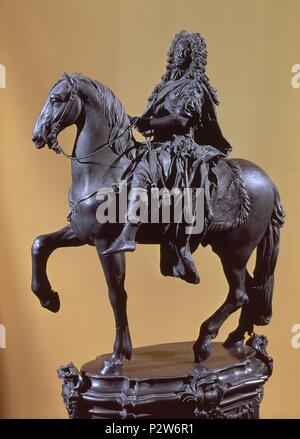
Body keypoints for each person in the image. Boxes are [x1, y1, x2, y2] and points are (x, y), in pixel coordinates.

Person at [103, 30, 232, 284]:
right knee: (129, 161)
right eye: (177, 50)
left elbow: (181, 120)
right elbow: (152, 119)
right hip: (161, 143)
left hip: (182, 146)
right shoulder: (165, 86)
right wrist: (138, 122)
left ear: (193, 58)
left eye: (186, 51)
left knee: (146, 167)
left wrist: (150, 121)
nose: (179, 54)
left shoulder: (193, 87)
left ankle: (129, 232)